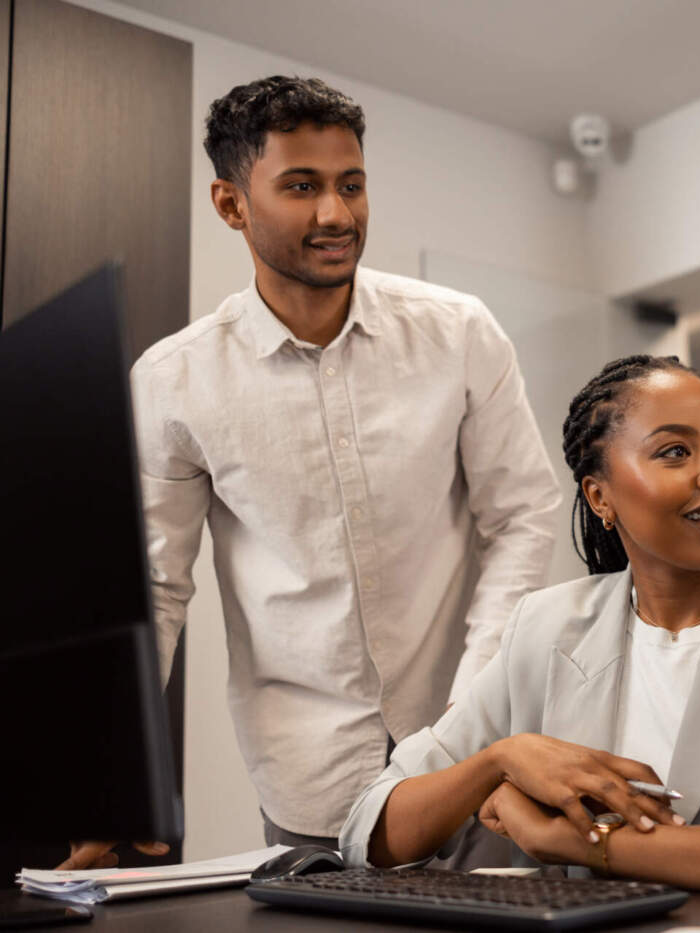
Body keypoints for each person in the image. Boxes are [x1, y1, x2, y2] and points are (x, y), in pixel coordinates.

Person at [61, 76, 560, 869]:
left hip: (480, 757)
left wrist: (476, 701)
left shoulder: (459, 332)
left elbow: (524, 514)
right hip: (310, 781)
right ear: (231, 204)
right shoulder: (174, 379)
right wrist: (104, 774)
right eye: (302, 187)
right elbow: (155, 588)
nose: (337, 214)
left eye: (350, 184)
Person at [339, 355, 700, 891]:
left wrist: (571, 843)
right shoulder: (547, 627)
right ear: (600, 497)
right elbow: (373, 828)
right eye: (675, 451)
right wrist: (501, 759)